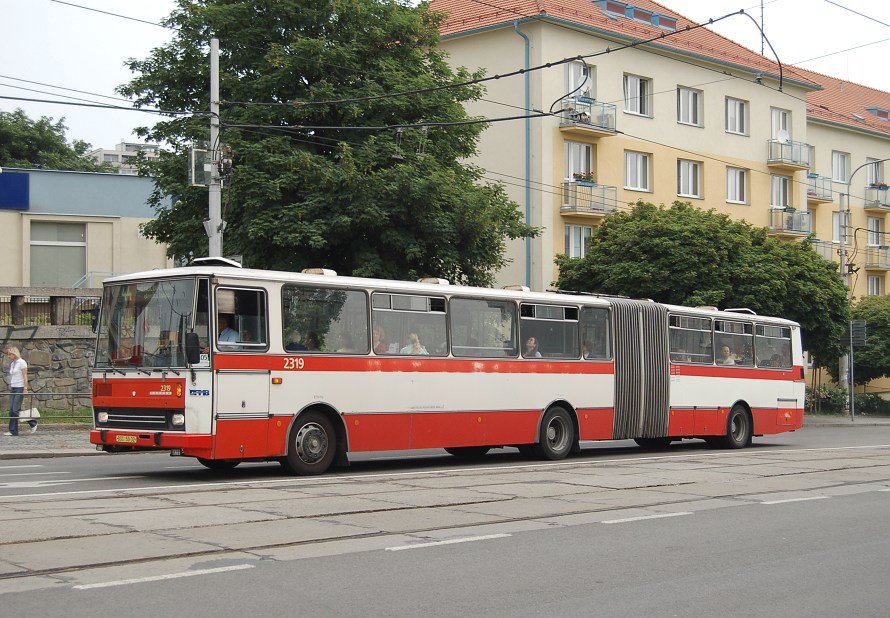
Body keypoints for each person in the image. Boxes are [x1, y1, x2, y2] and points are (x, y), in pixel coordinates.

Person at [4, 346, 33, 436]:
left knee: (15, 410)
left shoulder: (22, 362)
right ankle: (13, 430)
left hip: (20, 388)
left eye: (10, 354)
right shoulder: (13, 363)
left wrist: (25, 388)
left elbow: (25, 376)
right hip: (13, 387)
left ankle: (32, 422)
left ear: (14, 354)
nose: (8, 356)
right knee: (12, 410)